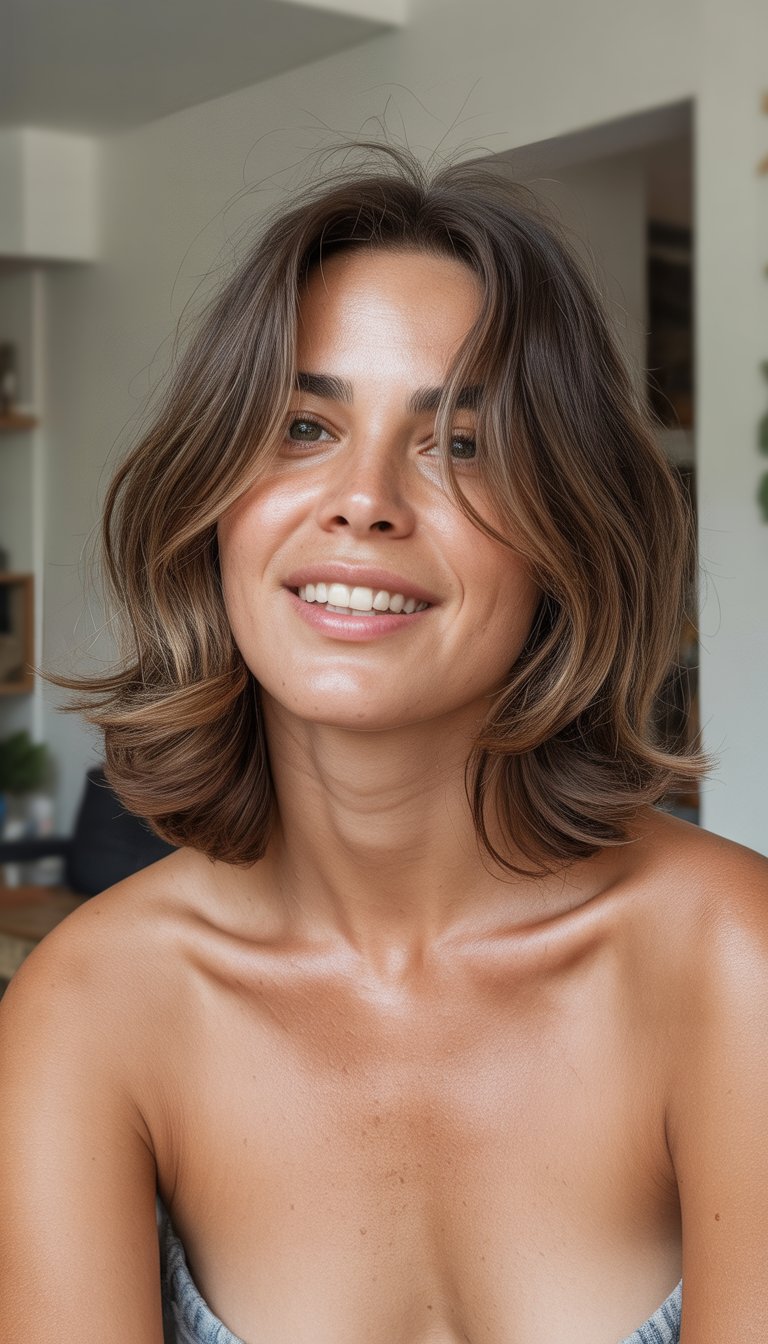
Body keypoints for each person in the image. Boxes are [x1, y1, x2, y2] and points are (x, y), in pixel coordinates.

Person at [1, 140, 767, 1344]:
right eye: (304, 426)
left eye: (461, 443)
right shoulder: (90, 1007)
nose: (364, 500)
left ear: (569, 533)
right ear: (213, 504)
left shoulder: (732, 959)